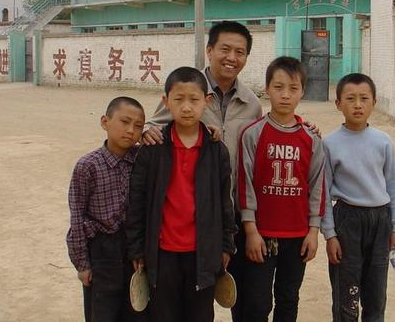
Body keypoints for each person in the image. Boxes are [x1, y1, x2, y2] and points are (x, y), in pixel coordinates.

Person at [141, 20, 262, 321]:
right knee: (189, 301)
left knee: (243, 298)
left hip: (231, 212)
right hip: (193, 219)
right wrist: (145, 131)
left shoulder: (252, 104)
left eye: (240, 52)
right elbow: (155, 127)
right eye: (224, 49)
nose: (231, 57)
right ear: (209, 50)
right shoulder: (187, 90)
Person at [125, 66, 237, 322]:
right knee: (164, 314)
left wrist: (226, 245)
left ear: (207, 102)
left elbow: (225, 202)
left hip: (203, 253)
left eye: (194, 100)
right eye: (178, 99)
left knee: (199, 315)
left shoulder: (216, 150)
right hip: (162, 254)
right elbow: (137, 202)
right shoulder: (153, 147)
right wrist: (137, 249)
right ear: (166, 102)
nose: (187, 107)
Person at [238, 56, 326, 322]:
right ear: (266, 88)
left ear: (302, 91)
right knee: (257, 302)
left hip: (297, 236)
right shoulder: (253, 133)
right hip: (261, 236)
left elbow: (317, 187)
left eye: (293, 88)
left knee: (288, 299)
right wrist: (251, 230)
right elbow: (245, 184)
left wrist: (313, 231)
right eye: (278, 87)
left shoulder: (311, 139)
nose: (285, 95)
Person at [321, 73, 395, 322]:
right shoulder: (330, 143)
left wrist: (394, 226)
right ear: (338, 104)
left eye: (364, 98)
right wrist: (330, 234)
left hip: (380, 220)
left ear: (374, 102)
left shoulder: (383, 142)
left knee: (376, 291)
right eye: (350, 98)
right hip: (347, 220)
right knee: (346, 291)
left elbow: (393, 185)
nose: (358, 104)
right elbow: (323, 192)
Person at [66, 96, 146, 322]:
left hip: (132, 248)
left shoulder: (141, 158)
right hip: (101, 250)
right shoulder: (88, 166)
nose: (131, 130)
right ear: (105, 122)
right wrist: (82, 264)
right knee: (102, 311)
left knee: (135, 308)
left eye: (138, 126)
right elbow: (77, 218)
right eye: (124, 122)